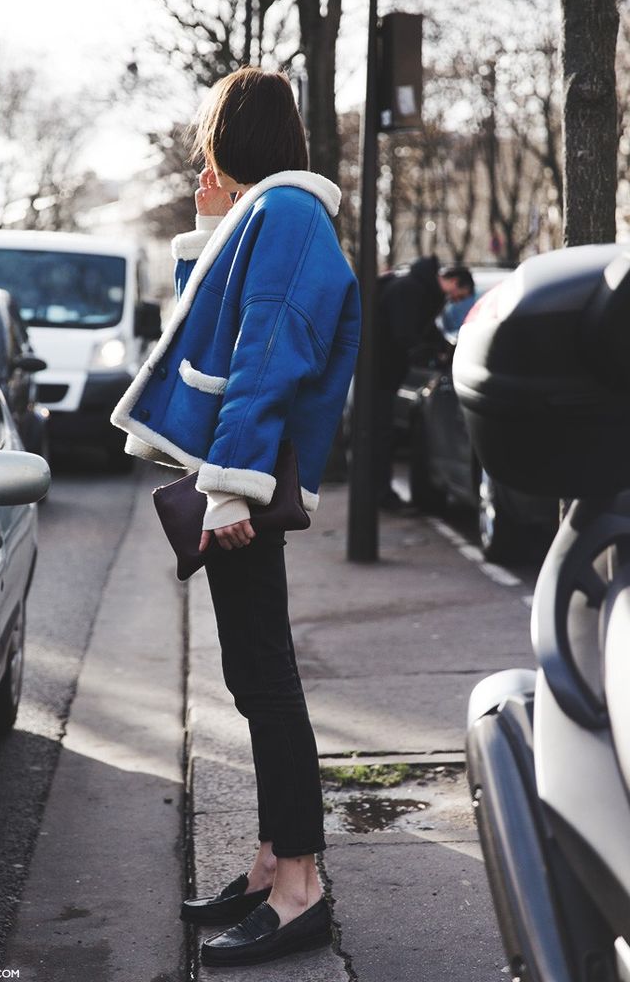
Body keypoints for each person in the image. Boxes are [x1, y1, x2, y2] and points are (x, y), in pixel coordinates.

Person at [111, 67, 360, 968]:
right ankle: (269, 864)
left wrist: (230, 485)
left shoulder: (289, 216)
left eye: (210, 140)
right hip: (236, 477)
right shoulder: (272, 217)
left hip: (240, 484)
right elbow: (219, 325)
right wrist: (215, 226)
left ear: (234, 136)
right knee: (254, 677)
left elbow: (266, 352)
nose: (199, 160)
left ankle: (299, 890)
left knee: (267, 678)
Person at [376, 258, 473, 510]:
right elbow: (407, 334)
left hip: (384, 370)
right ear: (453, 282)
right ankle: (380, 495)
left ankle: (380, 494)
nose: (455, 301)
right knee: (379, 434)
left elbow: (425, 331)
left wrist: (441, 348)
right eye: (458, 295)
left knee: (382, 434)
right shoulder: (412, 290)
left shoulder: (420, 289)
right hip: (379, 371)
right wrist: (431, 352)